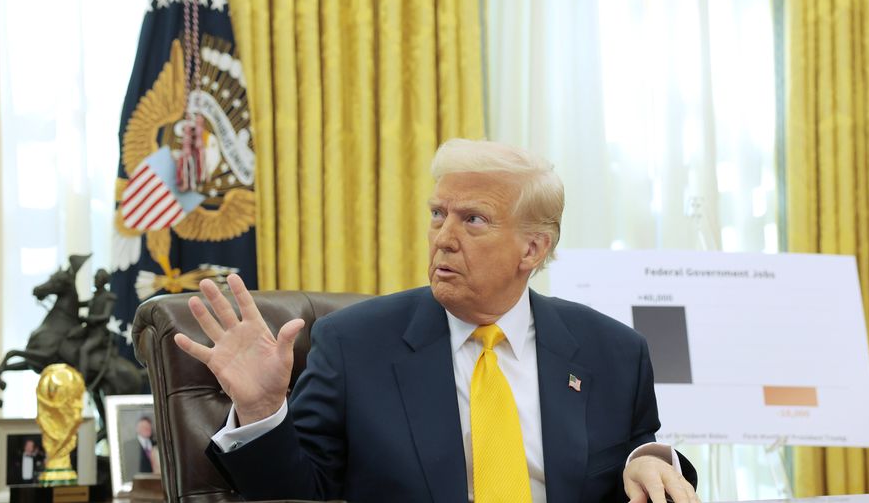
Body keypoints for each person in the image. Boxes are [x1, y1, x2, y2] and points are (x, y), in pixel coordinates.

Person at [175, 139, 699, 502]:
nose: (443, 238)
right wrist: (262, 410)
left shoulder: (612, 352)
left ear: (532, 249)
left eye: (473, 219)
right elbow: (296, 492)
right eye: (437, 214)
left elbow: (638, 460)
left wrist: (650, 460)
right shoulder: (355, 345)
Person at [123, 416, 156, 481]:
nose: (147, 429)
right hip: (139, 483)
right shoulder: (129, 446)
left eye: (148, 427)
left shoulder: (157, 444)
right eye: (144, 427)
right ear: (137, 429)